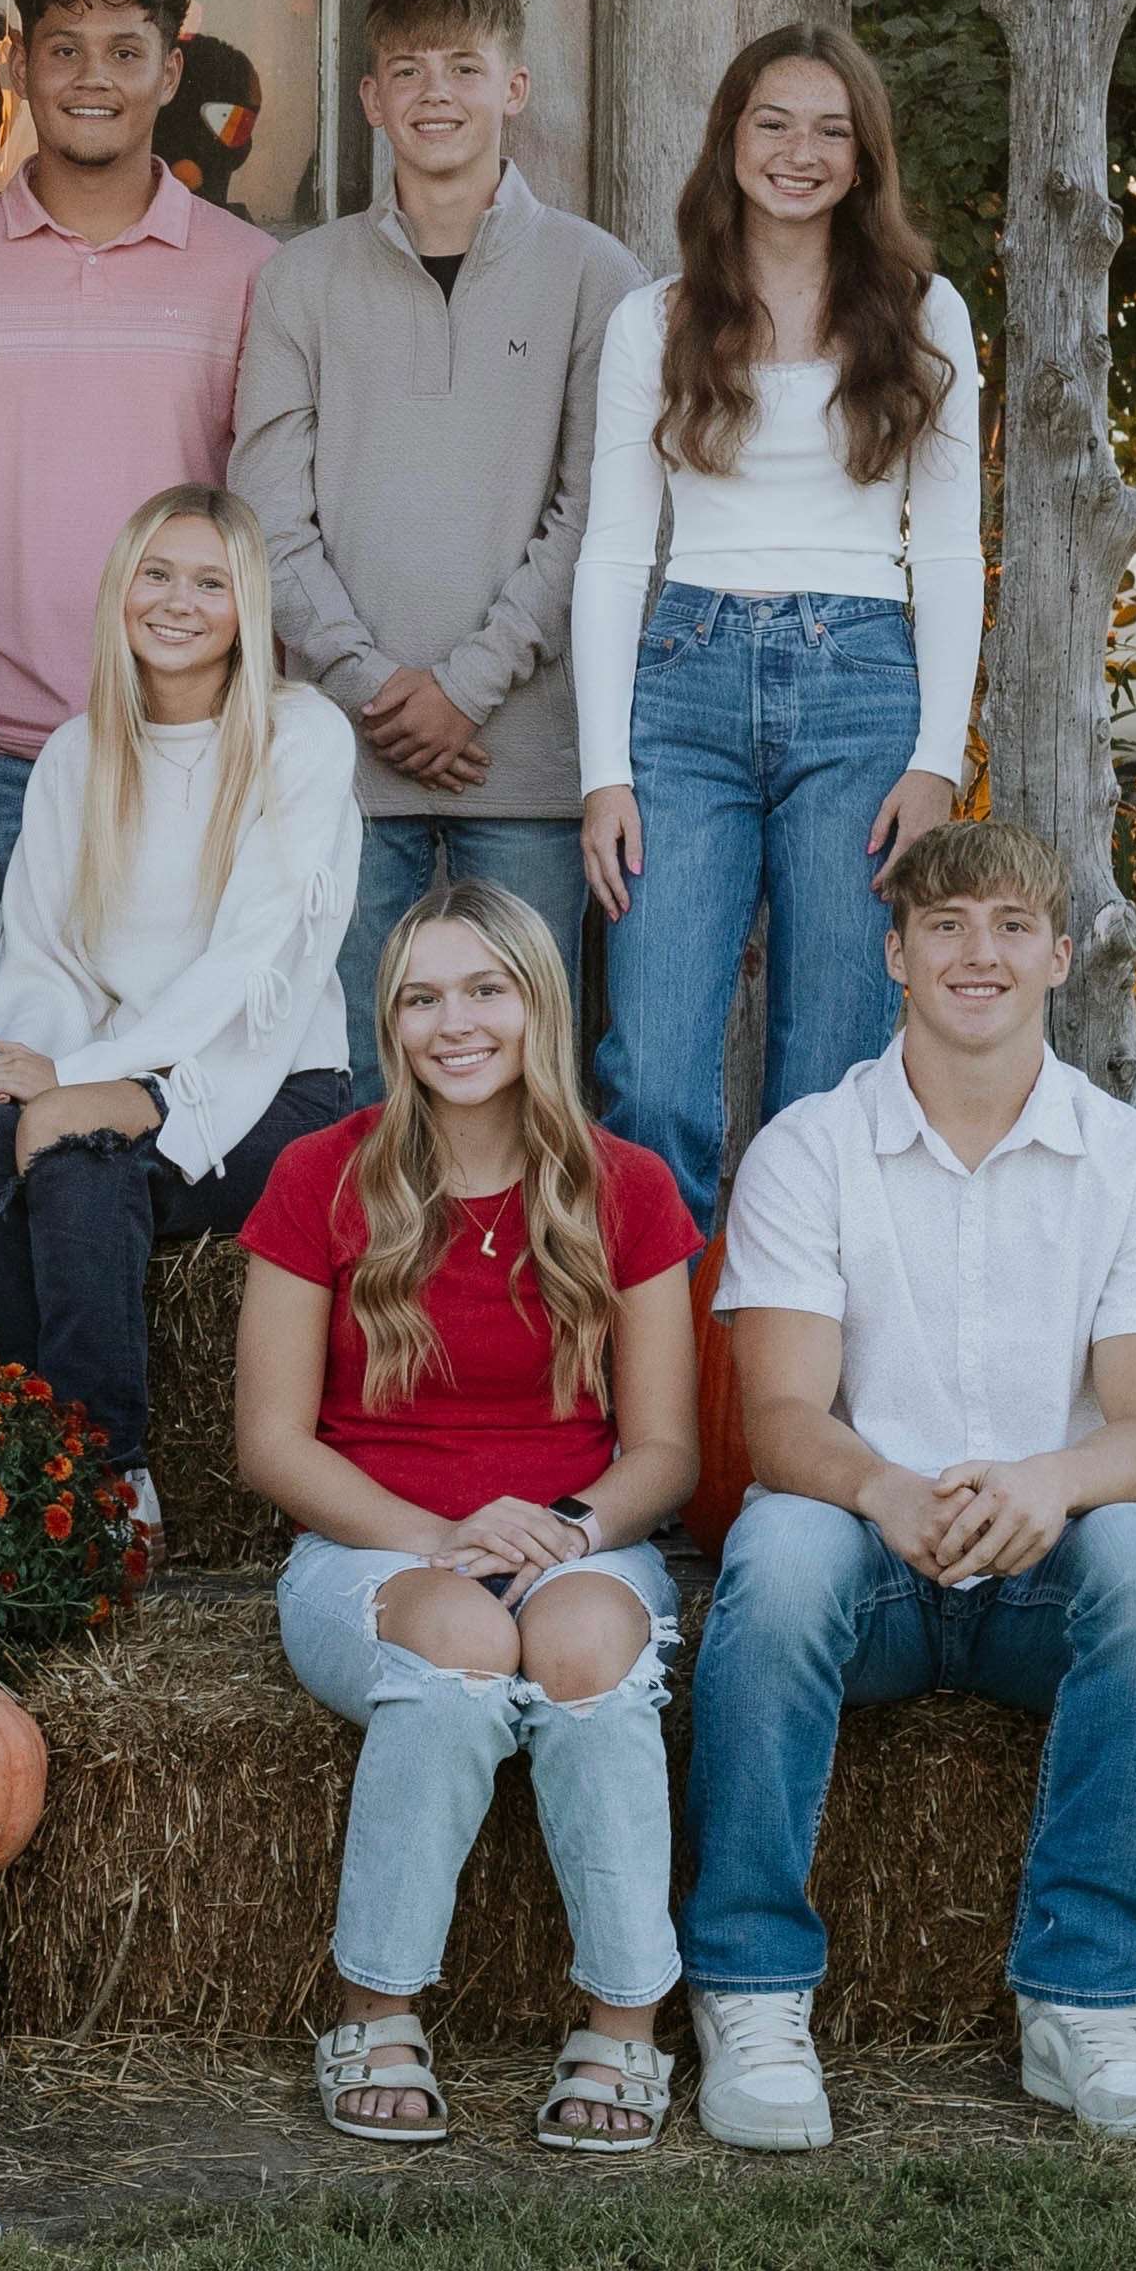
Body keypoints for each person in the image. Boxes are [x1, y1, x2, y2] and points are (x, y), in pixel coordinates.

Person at [680, 819, 1136, 2153]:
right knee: (781, 1550)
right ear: (896, 956)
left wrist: (1051, 1481)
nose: (978, 953)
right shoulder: (810, 1149)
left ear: (1058, 957)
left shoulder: (1134, 1166)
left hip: (1045, 1579)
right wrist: (883, 1490)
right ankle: (748, 1989)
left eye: (1010, 926)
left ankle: (1083, 2003)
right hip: (873, 1570)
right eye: (945, 925)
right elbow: (779, 1420)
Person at [231, 882, 702, 2153]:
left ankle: (625, 2021)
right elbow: (270, 1442)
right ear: (388, 1022)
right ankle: (375, 2008)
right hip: (372, 1547)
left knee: (586, 1647)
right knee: (462, 1643)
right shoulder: (321, 1176)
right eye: (422, 998)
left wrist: (566, 1529)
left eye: (486, 990)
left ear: (538, 1003)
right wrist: (437, 1538)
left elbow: (666, 1450)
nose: (455, 1024)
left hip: (577, 1538)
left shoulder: (628, 1186)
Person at [573, 21, 983, 1231]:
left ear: (863, 159)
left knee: (831, 1074)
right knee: (651, 1074)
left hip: (862, 689)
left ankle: (787, 1345)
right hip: (684, 687)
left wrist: (938, 760)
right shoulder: (656, 319)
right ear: (730, 140)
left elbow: (947, 547)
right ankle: (659, 1342)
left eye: (830, 131)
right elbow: (614, 550)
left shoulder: (923, 311)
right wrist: (604, 773)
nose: (799, 153)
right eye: (774, 124)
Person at [0, 0, 279, 1024]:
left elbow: (278, 507)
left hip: (185, 737)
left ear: (169, 73)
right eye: (65, 50)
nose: (95, 78)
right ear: (19, 67)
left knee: (170, 1058)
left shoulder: (253, 276)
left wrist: (261, 711)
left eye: (126, 51)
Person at [226, 0, 649, 1068]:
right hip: (348, 761)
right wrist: (371, 684)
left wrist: (464, 688)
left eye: (465, 67)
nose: (435, 94)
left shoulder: (594, 276)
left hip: (528, 762)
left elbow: (599, 513)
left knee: (523, 1066)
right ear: (371, 99)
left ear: (514, 88)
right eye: (407, 70)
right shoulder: (301, 279)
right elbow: (266, 510)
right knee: (363, 1069)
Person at [0, 485, 361, 1508]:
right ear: (120, 588)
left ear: (246, 608)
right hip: (115, 1063)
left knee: (79, 1157)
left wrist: (84, 1081)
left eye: (210, 583)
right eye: (156, 575)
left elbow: (258, 959)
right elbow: (40, 953)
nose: (177, 602)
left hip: (268, 1081)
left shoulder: (301, 735)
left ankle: (106, 1484)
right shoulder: (77, 752)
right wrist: (33, 1068)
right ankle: (40, 1432)